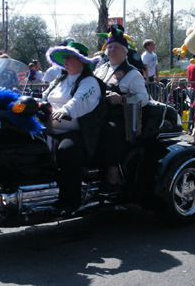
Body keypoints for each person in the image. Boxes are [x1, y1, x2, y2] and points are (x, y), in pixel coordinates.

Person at [43, 40, 104, 212]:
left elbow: (79, 101)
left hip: (77, 132)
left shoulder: (90, 82)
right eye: (65, 58)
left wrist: (64, 110)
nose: (66, 61)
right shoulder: (59, 80)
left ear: (82, 61)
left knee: (67, 150)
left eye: (70, 57)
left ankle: (71, 201)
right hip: (49, 129)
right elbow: (44, 98)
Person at [93, 26, 149, 196]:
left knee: (110, 129)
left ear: (125, 52)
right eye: (109, 47)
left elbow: (144, 98)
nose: (112, 50)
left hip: (122, 119)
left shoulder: (133, 74)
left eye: (117, 47)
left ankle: (113, 179)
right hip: (98, 114)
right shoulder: (100, 70)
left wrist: (122, 99)